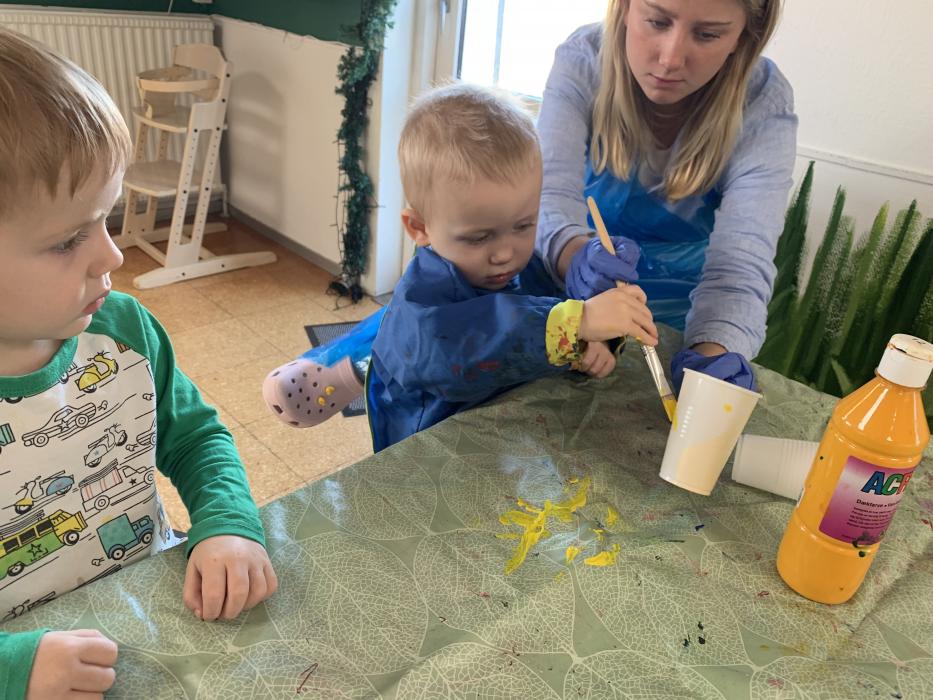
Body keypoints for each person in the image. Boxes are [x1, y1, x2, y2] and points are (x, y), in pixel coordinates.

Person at [0, 28, 277, 699]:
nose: (112, 255)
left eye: (106, 218)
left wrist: (226, 523)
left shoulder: (124, 331)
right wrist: (11, 668)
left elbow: (196, 437)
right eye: (69, 239)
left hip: (156, 611)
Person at [364, 84, 657, 451]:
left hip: (508, 438)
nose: (505, 253)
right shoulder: (419, 303)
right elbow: (461, 348)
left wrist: (589, 342)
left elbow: (551, 312)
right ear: (419, 228)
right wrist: (574, 322)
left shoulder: (524, 265)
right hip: (430, 452)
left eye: (523, 226)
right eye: (478, 237)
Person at [538, 0, 796, 392]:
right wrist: (574, 257)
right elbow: (549, 198)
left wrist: (713, 354)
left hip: (682, 325)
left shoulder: (763, 99)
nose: (670, 59)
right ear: (625, 8)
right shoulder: (584, 59)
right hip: (572, 309)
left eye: (707, 34)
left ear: (744, 37)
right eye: (657, 21)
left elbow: (741, 263)